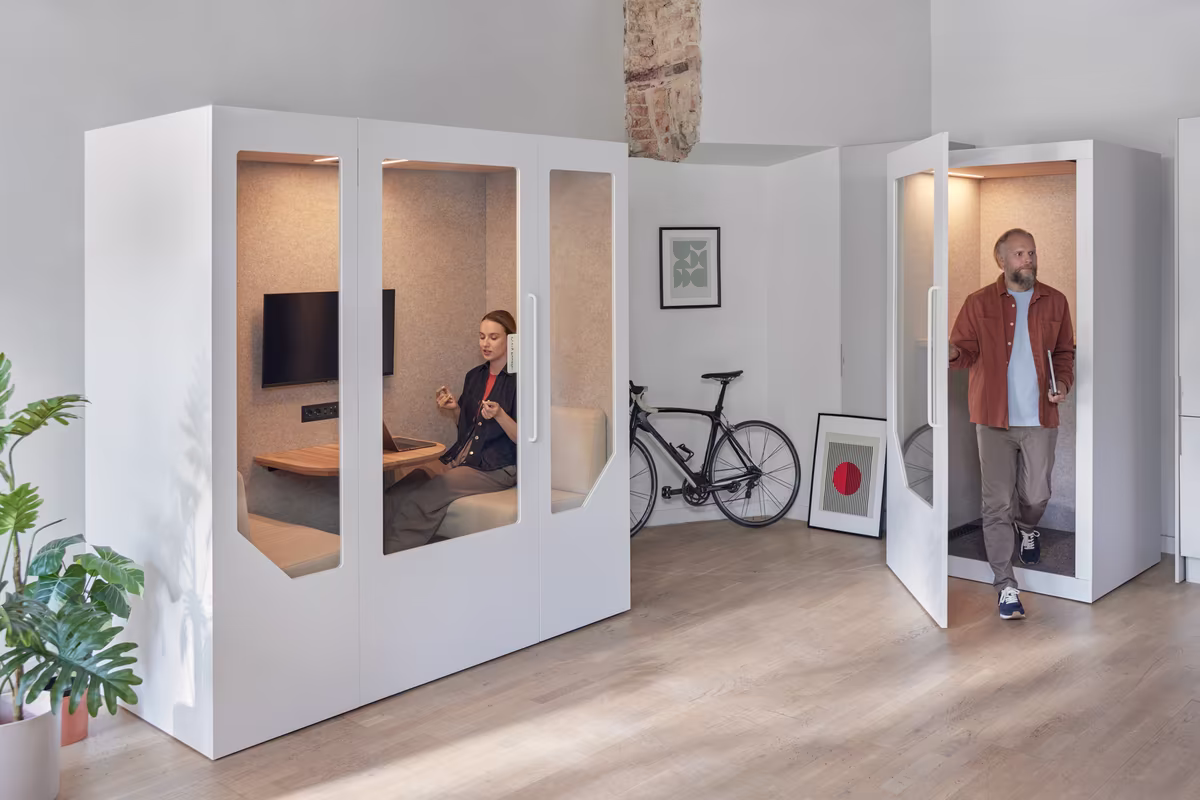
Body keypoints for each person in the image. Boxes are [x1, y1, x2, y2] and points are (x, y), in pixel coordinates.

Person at [949, 229, 1074, 620]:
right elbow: (964, 352)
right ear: (1001, 259)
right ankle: (1005, 585)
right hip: (992, 418)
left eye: (1032, 252)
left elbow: (1065, 353)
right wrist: (951, 351)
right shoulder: (978, 302)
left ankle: (1028, 527)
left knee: (1036, 494)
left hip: (1039, 416)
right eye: (1020, 253)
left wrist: (1063, 384)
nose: (1029, 259)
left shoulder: (1055, 300)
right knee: (996, 503)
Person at [383, 310, 518, 554]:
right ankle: (370, 555)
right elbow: (467, 429)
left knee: (428, 493)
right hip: (462, 458)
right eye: (481, 336)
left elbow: (525, 438)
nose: (485, 343)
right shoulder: (474, 376)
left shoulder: (521, 380)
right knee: (399, 491)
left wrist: (500, 415)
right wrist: (455, 410)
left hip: (496, 467)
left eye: (493, 337)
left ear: (511, 340)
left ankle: (392, 561)